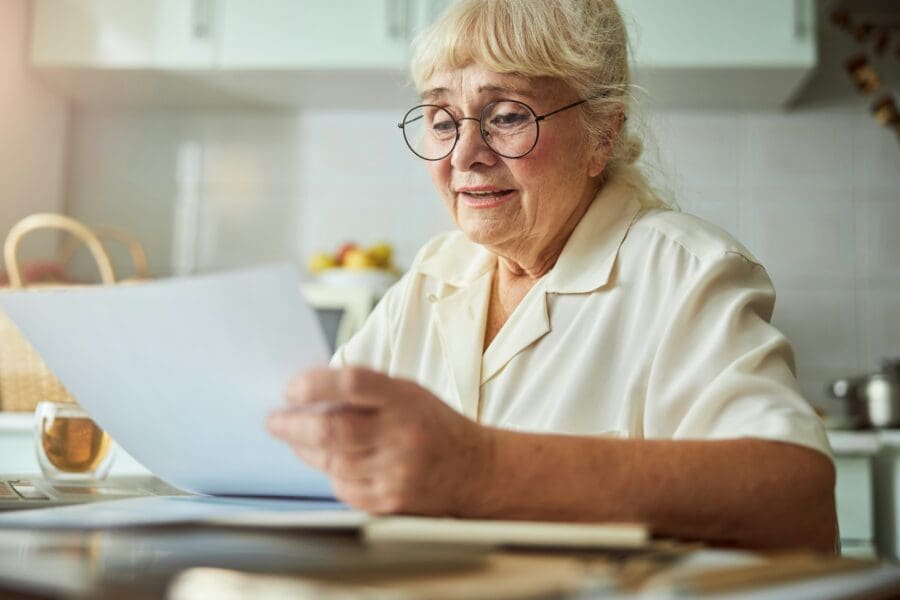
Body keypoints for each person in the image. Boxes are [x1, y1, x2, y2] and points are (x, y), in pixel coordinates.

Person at [267, 0, 837, 553]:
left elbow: (794, 497)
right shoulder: (433, 274)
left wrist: (479, 467)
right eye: (442, 120)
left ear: (602, 135)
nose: (465, 155)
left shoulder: (684, 269)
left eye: (509, 116)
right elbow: (316, 450)